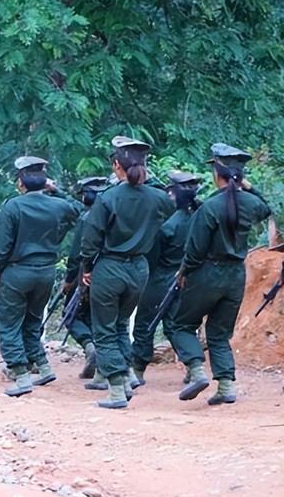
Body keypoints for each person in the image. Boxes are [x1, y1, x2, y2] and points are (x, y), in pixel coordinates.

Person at [172, 143, 270, 404]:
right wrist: (247, 186)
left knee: (181, 324)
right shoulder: (250, 203)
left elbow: (195, 250)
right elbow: (266, 207)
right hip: (236, 276)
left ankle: (196, 372)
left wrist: (184, 272)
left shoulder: (209, 207)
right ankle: (226, 387)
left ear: (217, 172)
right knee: (219, 332)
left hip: (207, 273)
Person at [80, 137, 174, 409]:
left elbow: (91, 239)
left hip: (110, 267)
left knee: (105, 331)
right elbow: (167, 208)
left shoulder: (107, 198)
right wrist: (147, 178)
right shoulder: (158, 198)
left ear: (116, 165)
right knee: (121, 324)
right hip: (139, 269)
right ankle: (126, 378)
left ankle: (116, 390)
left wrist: (87, 268)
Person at [0, 156, 81, 397]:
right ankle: (43, 365)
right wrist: (57, 190)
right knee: (32, 320)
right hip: (46, 272)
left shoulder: (13, 206)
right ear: (45, 182)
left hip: (17, 271)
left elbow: (2, 247)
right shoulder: (58, 205)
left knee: (9, 323)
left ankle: (20, 374)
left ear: (20, 182)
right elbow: (80, 211)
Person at [130, 171, 201, 384]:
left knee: (145, 324)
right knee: (175, 325)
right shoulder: (200, 216)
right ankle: (194, 368)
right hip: (189, 278)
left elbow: (152, 257)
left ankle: (138, 370)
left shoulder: (167, 225)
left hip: (161, 279)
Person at [62, 177, 108, 382]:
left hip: (86, 273)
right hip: (109, 271)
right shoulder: (112, 213)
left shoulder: (86, 218)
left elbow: (76, 254)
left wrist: (69, 278)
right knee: (99, 317)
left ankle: (90, 347)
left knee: (70, 314)